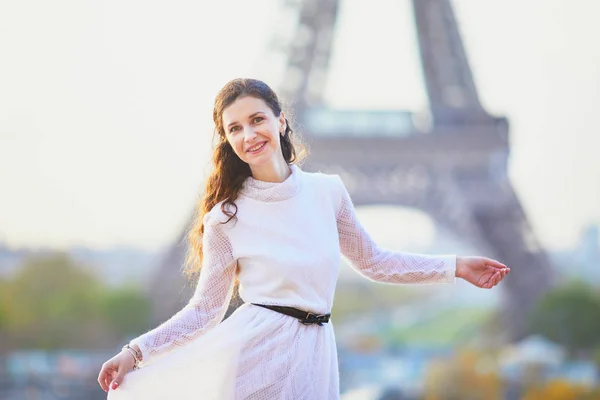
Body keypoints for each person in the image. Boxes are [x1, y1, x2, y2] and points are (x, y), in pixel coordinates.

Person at [97, 78, 510, 399]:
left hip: (315, 352)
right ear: (227, 140)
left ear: (281, 120)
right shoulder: (225, 217)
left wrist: (454, 266)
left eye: (257, 120)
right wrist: (135, 353)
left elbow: (375, 262)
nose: (248, 135)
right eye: (234, 128)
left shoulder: (327, 191)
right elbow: (205, 310)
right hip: (256, 354)